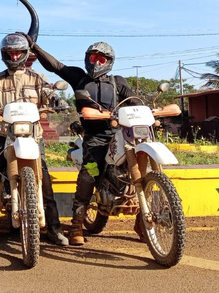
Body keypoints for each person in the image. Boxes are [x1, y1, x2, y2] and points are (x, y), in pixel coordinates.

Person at [25, 36, 141, 246]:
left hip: (119, 134)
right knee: (89, 173)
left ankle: (143, 221)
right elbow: (56, 66)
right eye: (93, 57)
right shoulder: (79, 77)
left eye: (101, 59)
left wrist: (149, 112)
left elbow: (134, 102)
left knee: (142, 165)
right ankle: (77, 224)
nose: (96, 62)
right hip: (94, 138)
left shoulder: (118, 82)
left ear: (109, 62)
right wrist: (34, 48)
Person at [0, 33, 70, 246]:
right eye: (10, 53)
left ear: (25, 54)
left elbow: (49, 94)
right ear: (4, 54)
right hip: (3, 134)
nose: (14, 57)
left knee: (45, 180)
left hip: (33, 136)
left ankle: (54, 228)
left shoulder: (38, 78)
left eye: (18, 53)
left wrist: (57, 101)